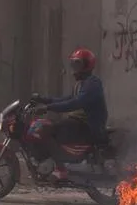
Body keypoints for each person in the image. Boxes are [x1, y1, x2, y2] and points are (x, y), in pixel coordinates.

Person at [31, 48, 108, 181]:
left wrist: (47, 108)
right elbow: (66, 99)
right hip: (78, 122)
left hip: (88, 125)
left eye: (78, 64)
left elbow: (75, 103)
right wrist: (43, 100)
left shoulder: (92, 84)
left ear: (87, 66)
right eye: (74, 64)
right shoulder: (81, 84)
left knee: (47, 129)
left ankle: (61, 169)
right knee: (45, 128)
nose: (75, 68)